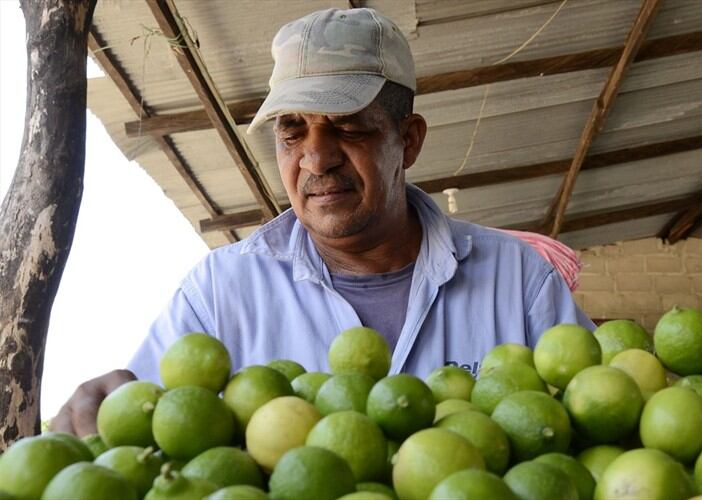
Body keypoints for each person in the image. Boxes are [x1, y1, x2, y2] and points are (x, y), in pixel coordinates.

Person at [50, 7, 594, 436]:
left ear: (408, 140)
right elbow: (147, 420)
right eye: (292, 130)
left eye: (349, 127)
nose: (315, 158)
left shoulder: (518, 278)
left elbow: (600, 414)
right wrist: (101, 409)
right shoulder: (220, 291)